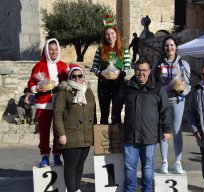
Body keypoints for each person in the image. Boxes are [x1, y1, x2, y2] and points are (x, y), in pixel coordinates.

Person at [120, 59, 172, 192]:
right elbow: (117, 105)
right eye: (138, 70)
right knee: (129, 167)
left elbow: (165, 110)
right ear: (134, 70)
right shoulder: (127, 87)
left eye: (144, 70)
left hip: (149, 136)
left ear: (149, 71)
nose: (141, 73)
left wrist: (167, 129)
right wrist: (115, 121)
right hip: (130, 136)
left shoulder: (158, 88)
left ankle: (147, 190)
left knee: (148, 166)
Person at [53, 64, 96, 192]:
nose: (77, 78)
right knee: (71, 166)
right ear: (69, 77)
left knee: (80, 165)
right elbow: (57, 113)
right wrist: (61, 134)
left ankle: (76, 188)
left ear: (83, 76)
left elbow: (93, 113)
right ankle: (71, 190)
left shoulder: (88, 92)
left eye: (80, 75)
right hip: (70, 136)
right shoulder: (64, 91)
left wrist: (94, 132)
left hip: (86, 136)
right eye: (74, 76)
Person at [28, 38, 68, 167]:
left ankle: (57, 155)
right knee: (44, 132)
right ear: (46, 50)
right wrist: (36, 88)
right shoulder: (39, 65)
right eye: (51, 49)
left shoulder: (63, 66)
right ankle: (44, 156)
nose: (53, 52)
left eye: (56, 49)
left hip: (59, 105)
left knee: (58, 132)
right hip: (43, 105)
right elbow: (31, 83)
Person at [154, 36, 191, 174]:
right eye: (166, 46)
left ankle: (177, 162)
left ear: (176, 47)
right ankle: (164, 162)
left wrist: (183, 90)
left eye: (171, 45)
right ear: (163, 48)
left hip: (178, 100)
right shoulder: (158, 64)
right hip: (162, 101)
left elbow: (188, 85)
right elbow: (153, 82)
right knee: (164, 130)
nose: (169, 48)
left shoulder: (183, 64)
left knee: (176, 131)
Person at [91, 15, 131, 125]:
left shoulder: (124, 51)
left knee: (116, 113)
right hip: (104, 85)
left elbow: (128, 67)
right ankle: (102, 139)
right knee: (104, 114)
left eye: (112, 33)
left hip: (118, 85)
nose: (110, 36)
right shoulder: (100, 50)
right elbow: (94, 67)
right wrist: (100, 74)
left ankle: (116, 139)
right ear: (104, 36)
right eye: (107, 34)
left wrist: (121, 75)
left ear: (116, 35)